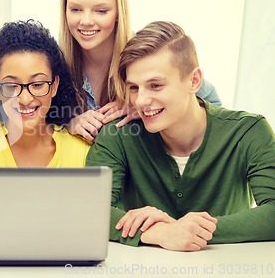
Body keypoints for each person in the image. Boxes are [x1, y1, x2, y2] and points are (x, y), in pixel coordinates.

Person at [86, 21, 275, 251]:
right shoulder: (117, 136)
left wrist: (187, 232)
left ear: (194, 81)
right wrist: (161, 233)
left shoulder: (249, 131)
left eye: (155, 85)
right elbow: (89, 211)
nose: (140, 101)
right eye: (134, 88)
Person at [59, 0, 222, 142]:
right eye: (76, 9)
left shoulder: (145, 53)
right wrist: (68, 124)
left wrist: (146, 105)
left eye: (101, 11)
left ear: (119, 12)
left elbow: (211, 103)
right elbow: (30, 123)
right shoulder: (53, 61)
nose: (86, 21)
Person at [0, 20, 90, 168]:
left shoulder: (82, 151)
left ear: (54, 85)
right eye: (11, 86)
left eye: (37, 85)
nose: (25, 99)